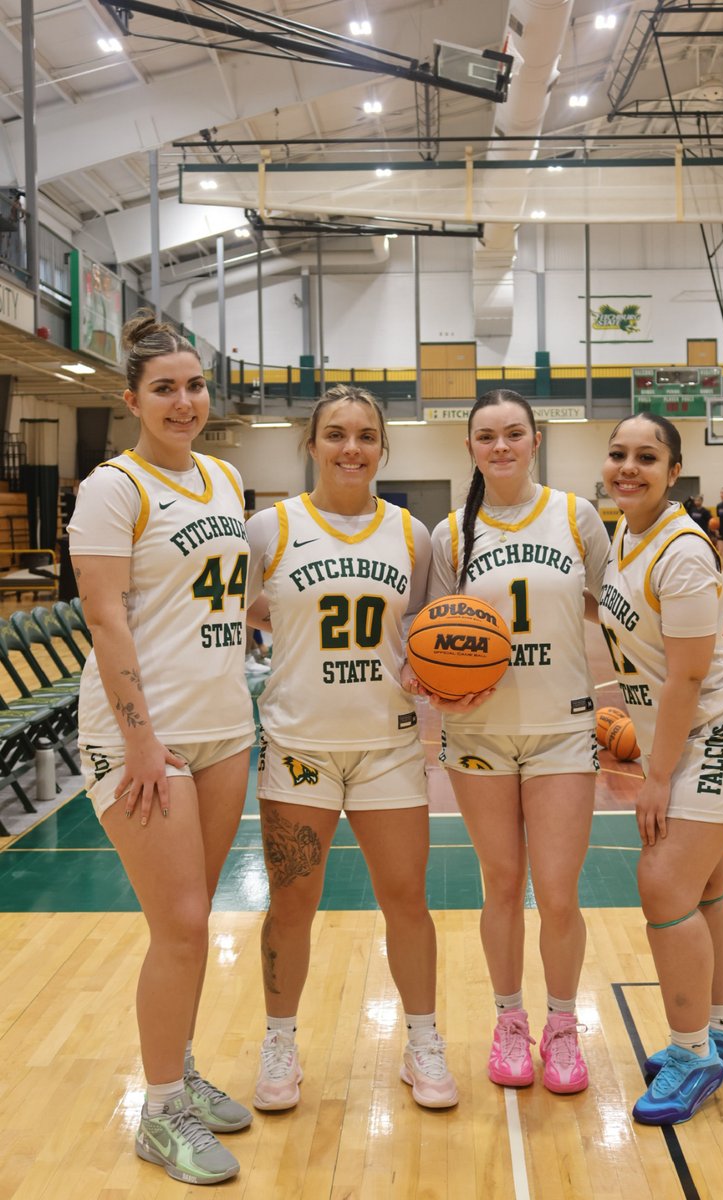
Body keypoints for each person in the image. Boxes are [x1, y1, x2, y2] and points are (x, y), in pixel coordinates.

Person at [68, 311, 256, 1186]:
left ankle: (177, 1068)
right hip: (145, 738)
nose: (184, 402)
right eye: (165, 388)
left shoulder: (223, 476)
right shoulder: (113, 487)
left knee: (192, 920)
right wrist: (141, 742)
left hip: (224, 727)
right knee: (180, 927)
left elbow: (223, 603)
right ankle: (157, 1112)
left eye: (194, 385)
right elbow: (105, 617)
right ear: (132, 398)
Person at [245, 384, 458, 1112]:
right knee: (290, 905)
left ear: (382, 448)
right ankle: (279, 1042)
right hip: (297, 746)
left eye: (366, 435)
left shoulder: (411, 536)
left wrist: (432, 674)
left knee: (408, 902)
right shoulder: (266, 531)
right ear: (311, 444)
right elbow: (224, 624)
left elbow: (429, 638)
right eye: (335, 434)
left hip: (388, 747)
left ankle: (423, 1041)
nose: (351, 448)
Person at [416, 389, 609, 1095]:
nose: (501, 447)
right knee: (501, 885)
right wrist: (438, 685)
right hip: (479, 733)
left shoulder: (575, 516)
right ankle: (508, 1022)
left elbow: (607, 609)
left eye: (513, 434)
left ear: (535, 440)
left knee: (557, 893)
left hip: (561, 727)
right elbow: (432, 632)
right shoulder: (450, 536)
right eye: (487, 437)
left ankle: (562, 1027)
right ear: (470, 448)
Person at [597, 412, 723, 1125]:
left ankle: (691, 1052)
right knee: (707, 886)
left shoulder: (684, 551)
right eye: (618, 454)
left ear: (674, 471)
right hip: (692, 726)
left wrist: (658, 773)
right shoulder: (625, 531)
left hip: (717, 725)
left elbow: (687, 678)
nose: (628, 467)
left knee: (663, 880)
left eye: (647, 456)